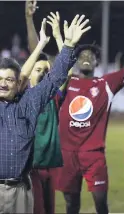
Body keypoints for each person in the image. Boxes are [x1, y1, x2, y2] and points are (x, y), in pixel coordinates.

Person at [53, 7, 124, 214]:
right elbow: (46, 65)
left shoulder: (106, 84)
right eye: (82, 54)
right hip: (66, 154)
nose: (86, 57)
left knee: (101, 205)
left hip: (93, 155)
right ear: (75, 61)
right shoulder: (66, 82)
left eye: (91, 55)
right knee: (70, 205)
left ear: (96, 62)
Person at [0, 14, 90, 214]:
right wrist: (40, 44)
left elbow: (55, 77)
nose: (3, 83)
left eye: (9, 79)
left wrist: (67, 45)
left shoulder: (28, 103)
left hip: (20, 190)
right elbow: (23, 75)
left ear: (18, 84)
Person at [22, 13, 69, 214]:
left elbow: (64, 72)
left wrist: (60, 38)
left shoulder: (53, 98)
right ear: (30, 72)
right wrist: (29, 19)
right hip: (29, 168)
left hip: (51, 166)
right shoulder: (21, 98)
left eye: (46, 70)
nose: (43, 72)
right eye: (38, 69)